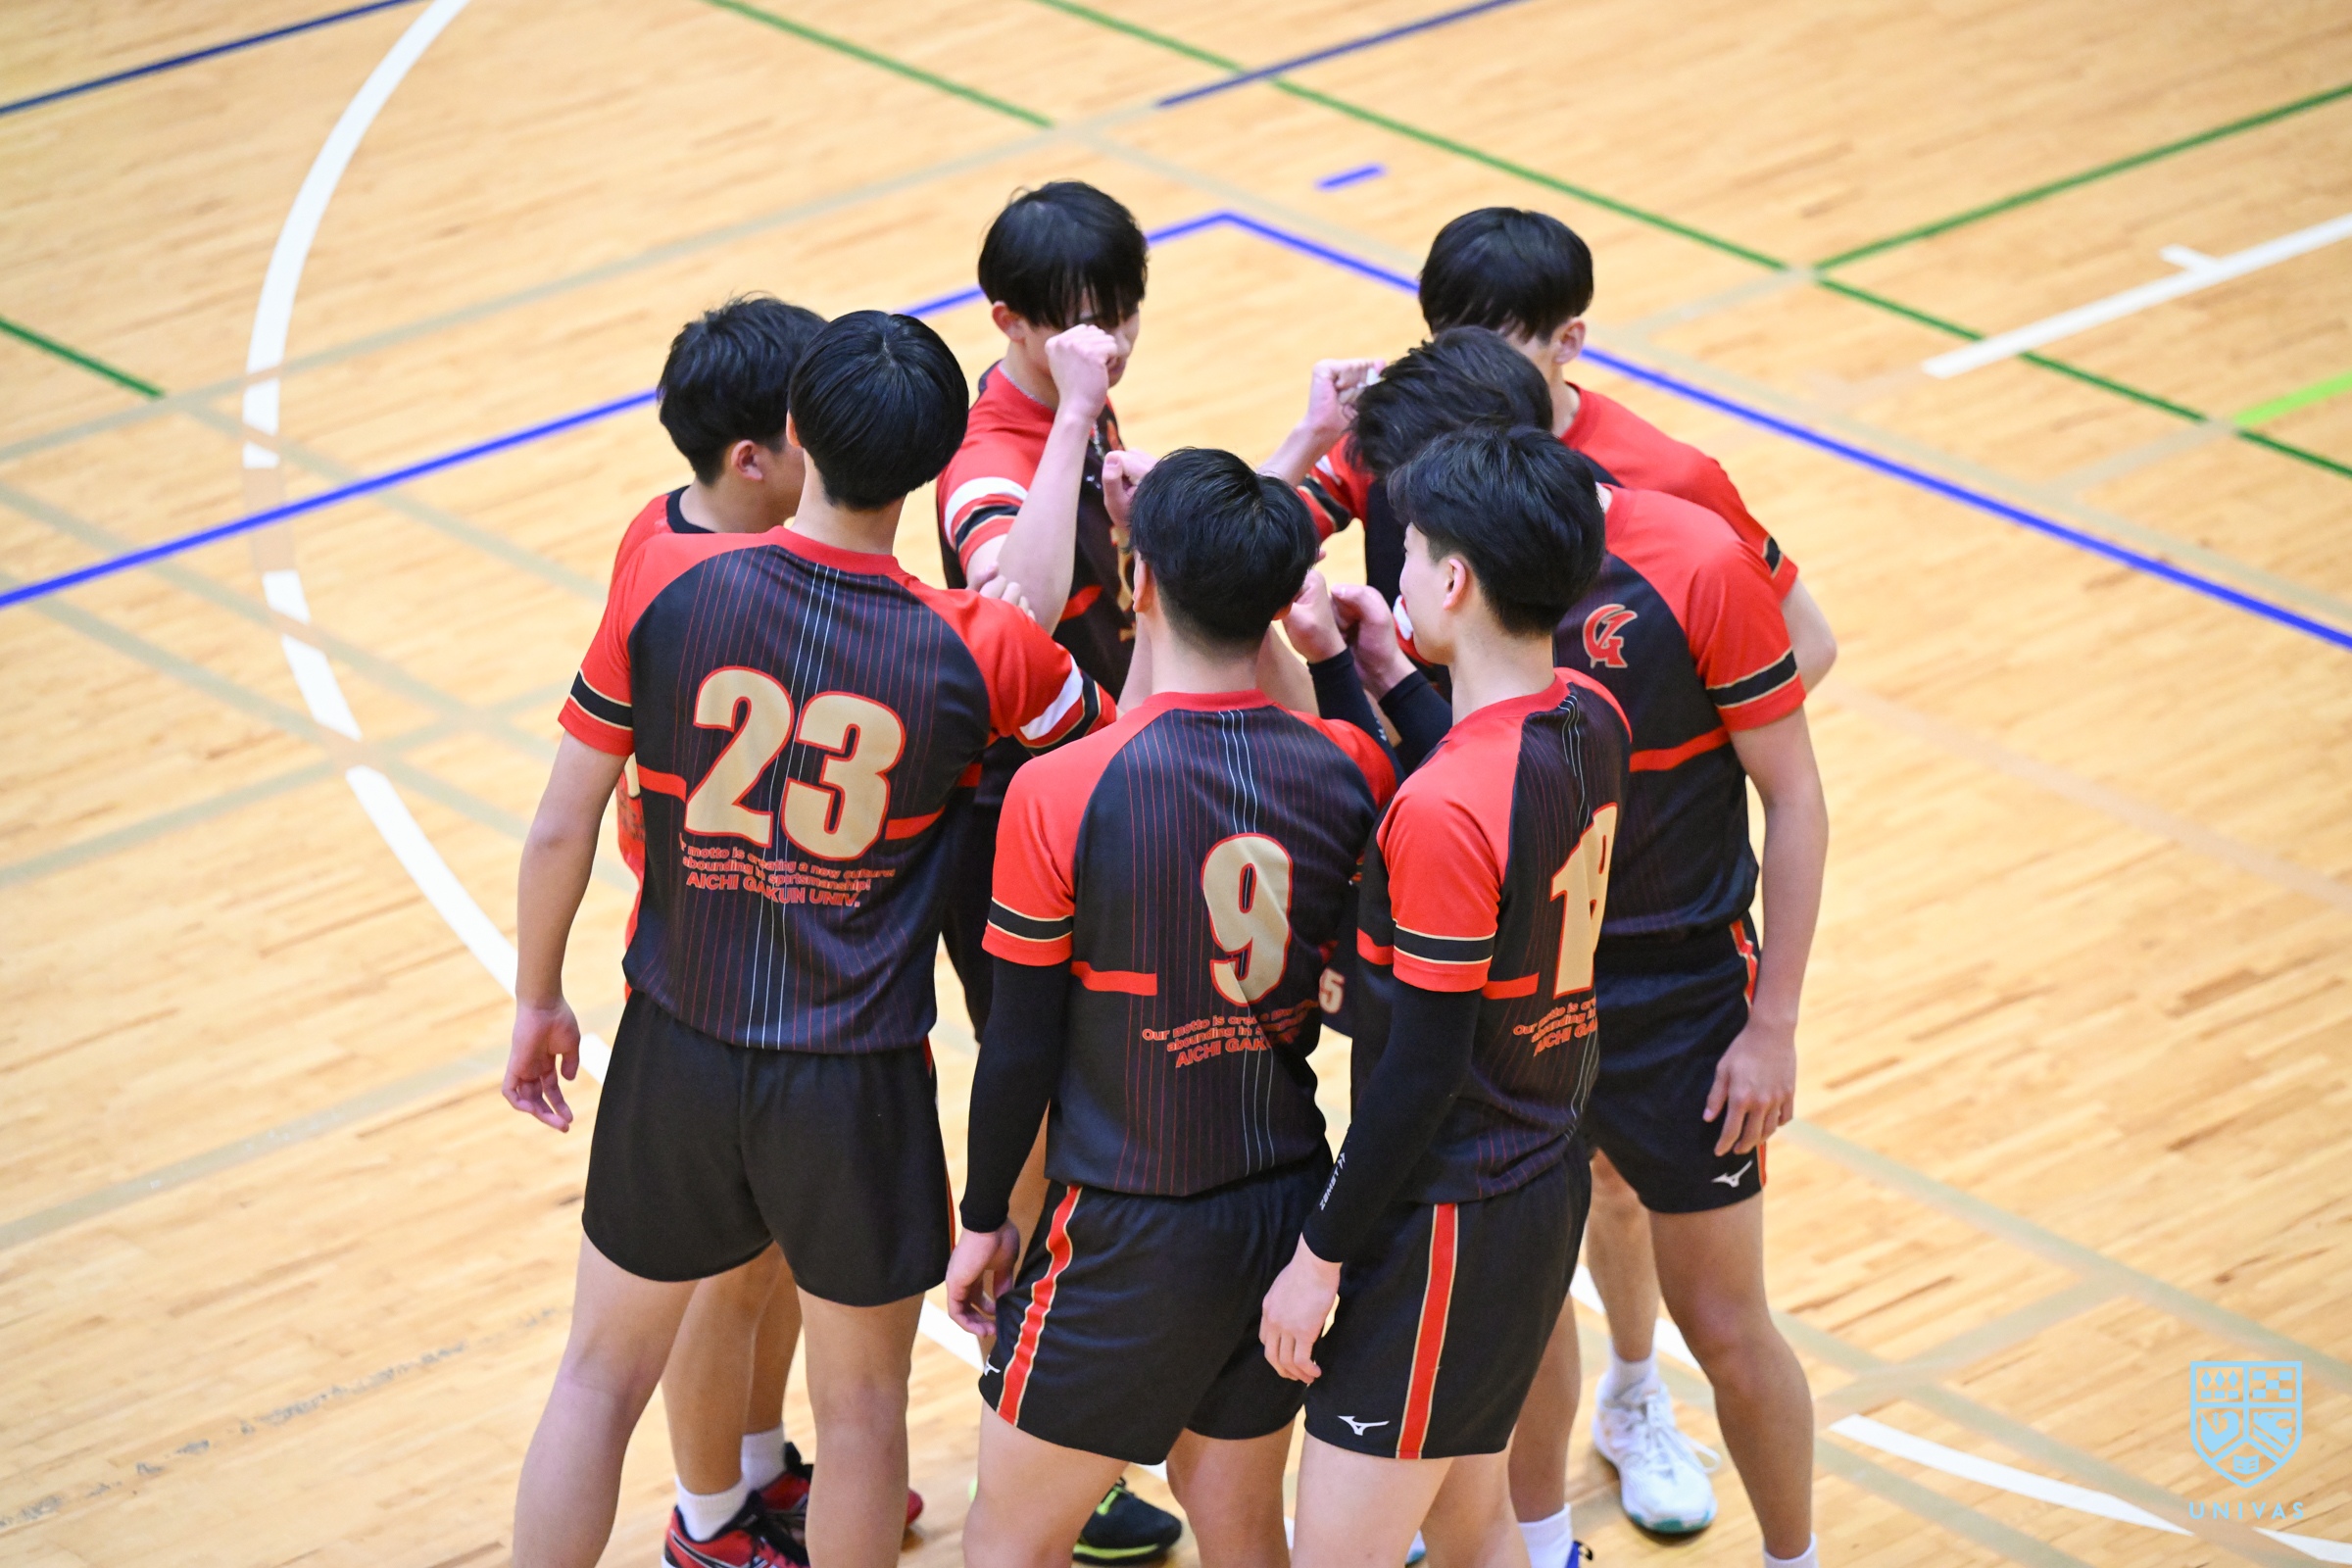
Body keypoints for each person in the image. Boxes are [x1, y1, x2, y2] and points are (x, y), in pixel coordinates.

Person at [500, 311, 1114, 1568]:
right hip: (854, 1082)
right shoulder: (982, 644)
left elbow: (564, 820)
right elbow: (1119, 758)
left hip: (676, 1040)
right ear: (935, 461)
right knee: (865, 1412)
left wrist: (538, 996)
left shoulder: (669, 583)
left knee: (595, 1381)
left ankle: (707, 1510)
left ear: (795, 433)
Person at [1340, 339, 1832, 1568]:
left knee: (1729, 1323)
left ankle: (1788, 1548)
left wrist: (1772, 1023)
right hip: (1526, 990)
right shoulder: (1477, 595)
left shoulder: (1686, 561)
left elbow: (1794, 783)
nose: (1401, 525)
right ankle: (1545, 1538)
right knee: (1523, 1306)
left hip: (1679, 997)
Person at [943, 449, 1396, 1568]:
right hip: (1282, 1210)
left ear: (1137, 583)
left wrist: (985, 1212)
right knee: (1240, 1529)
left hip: (1126, 1230)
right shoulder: (1351, 767)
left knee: (1005, 1545)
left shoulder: (1059, 789)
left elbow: (1018, 1045)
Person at [592, 294, 928, 1554]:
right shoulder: (707, 580)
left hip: (780, 941)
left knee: (782, 1253)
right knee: (725, 1269)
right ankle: (708, 1510)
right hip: (728, 958)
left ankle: (754, 1462)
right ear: (758, 454)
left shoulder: (697, 536)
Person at [1261, 424, 1628, 1568]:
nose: (1400, 572)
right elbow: (1485, 777)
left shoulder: (1443, 811)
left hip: (1449, 1222)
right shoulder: (1593, 717)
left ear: (1456, 580)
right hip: (1538, 1180)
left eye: (1413, 552)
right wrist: (1370, 670)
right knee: (1473, 1528)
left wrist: (1319, 1256)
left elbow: (1418, 1072)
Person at [930, 180, 1187, 1562]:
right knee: (1035, 1130)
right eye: (1080, 326)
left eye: (1124, 317)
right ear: (1008, 322)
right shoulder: (993, 451)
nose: (1110, 345)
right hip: (1009, 831)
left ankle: (1078, 1429)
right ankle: (1035, 1442)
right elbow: (1013, 612)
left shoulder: (1083, 409)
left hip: (1097, 803)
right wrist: (1082, 413)